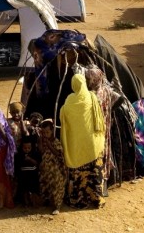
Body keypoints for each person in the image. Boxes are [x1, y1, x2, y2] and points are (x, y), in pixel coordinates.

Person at [59, 74, 106, 209]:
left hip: (77, 145)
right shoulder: (92, 97)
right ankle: (97, 198)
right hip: (93, 142)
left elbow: (63, 113)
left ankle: (79, 199)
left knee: (79, 174)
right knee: (95, 171)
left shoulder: (70, 100)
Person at [38, 119, 67, 215]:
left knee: (56, 186)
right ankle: (47, 202)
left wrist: (49, 144)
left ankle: (57, 206)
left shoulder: (55, 141)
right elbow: (41, 151)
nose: (46, 134)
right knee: (45, 184)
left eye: (47, 132)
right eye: (44, 132)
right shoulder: (41, 140)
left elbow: (58, 153)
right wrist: (41, 143)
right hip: (45, 167)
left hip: (55, 168)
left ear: (52, 131)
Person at [14, 136, 42, 207]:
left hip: (33, 175)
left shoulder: (35, 153)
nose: (27, 150)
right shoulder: (19, 155)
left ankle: (34, 202)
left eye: (29, 148)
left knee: (34, 190)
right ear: (22, 147)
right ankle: (26, 202)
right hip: (23, 175)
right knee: (24, 190)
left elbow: (37, 163)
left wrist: (30, 159)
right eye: (25, 148)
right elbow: (17, 166)